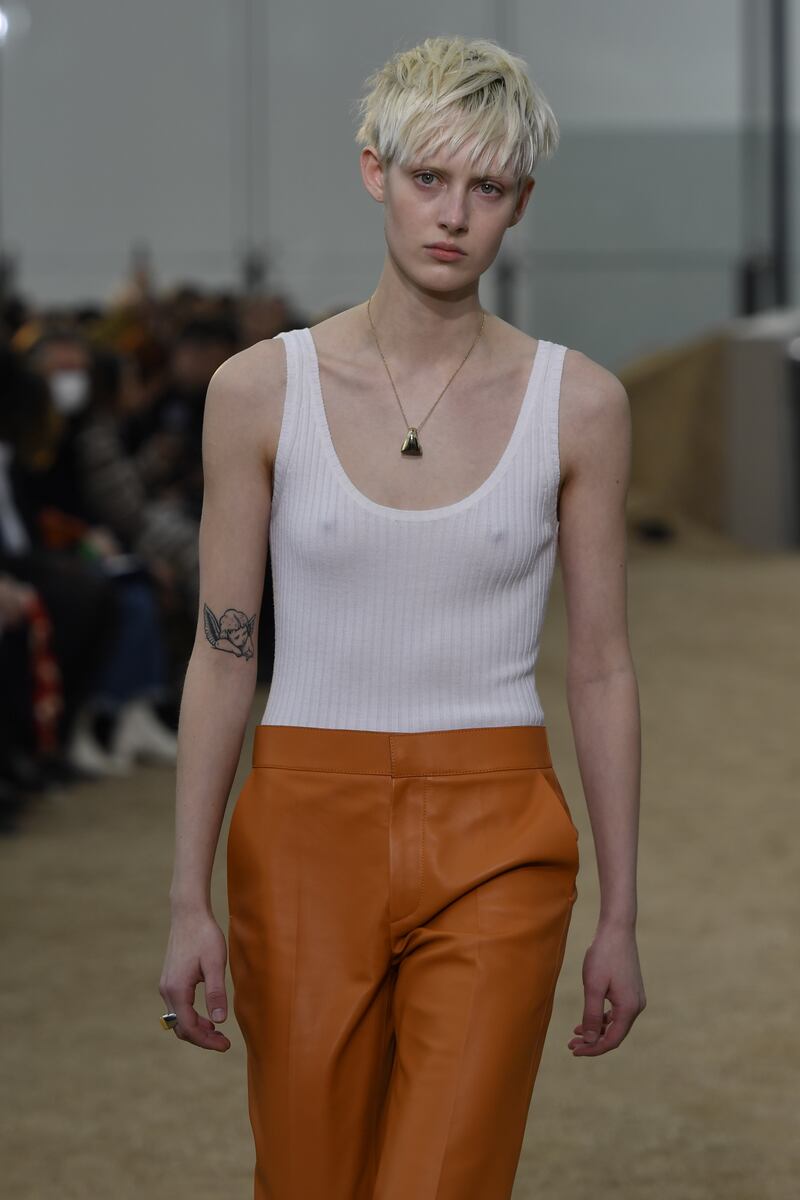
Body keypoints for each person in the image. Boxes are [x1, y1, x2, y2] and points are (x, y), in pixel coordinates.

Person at [159, 33, 646, 1200]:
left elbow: (599, 669)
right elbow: (223, 657)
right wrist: (185, 897)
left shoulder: (578, 404)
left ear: (519, 203)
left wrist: (621, 915)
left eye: (487, 187)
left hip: (499, 834)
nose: (453, 215)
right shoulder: (257, 391)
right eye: (429, 177)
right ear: (373, 170)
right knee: (307, 1180)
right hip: (299, 830)